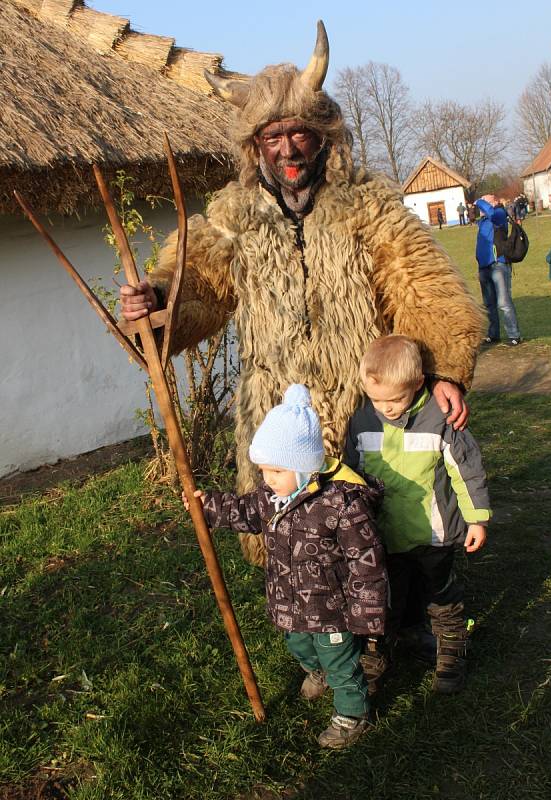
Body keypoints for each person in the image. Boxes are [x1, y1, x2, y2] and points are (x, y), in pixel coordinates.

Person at [120, 21, 484, 568]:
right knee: (289, 533)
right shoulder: (233, 216)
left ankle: (384, 626)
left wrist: (446, 371)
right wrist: (157, 299)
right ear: (255, 147)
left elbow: (421, 286)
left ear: (323, 138)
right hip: (277, 408)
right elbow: (198, 283)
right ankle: (316, 635)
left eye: (300, 135)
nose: (288, 150)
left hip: (365, 403)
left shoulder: (368, 205)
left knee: (377, 525)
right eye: (272, 138)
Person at [183, 384, 387, 749]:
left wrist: (366, 610)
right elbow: (245, 512)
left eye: (276, 470)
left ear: (305, 466)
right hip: (290, 602)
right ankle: (316, 671)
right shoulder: (272, 497)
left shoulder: (341, 504)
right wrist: (209, 506)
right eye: (264, 470)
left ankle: (353, 714)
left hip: (332, 609)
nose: (267, 479)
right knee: (299, 647)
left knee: (341, 662)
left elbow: (365, 561)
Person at [345, 335, 491, 694]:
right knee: (383, 598)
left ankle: (451, 653)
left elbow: (465, 469)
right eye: (378, 400)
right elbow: (351, 473)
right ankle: (377, 656)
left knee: (441, 596)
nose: (388, 409)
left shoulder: (440, 419)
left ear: (418, 383)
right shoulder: (362, 418)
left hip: (435, 535)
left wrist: (477, 517)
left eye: (396, 399)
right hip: (386, 535)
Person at [475, 194, 522, 346]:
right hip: (484, 267)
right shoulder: (482, 221)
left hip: (498, 265)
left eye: (486, 201)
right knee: (489, 303)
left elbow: (493, 214)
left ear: (494, 202)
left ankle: (514, 335)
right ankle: (493, 334)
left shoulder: (500, 214)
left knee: (503, 302)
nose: (481, 207)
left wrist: (480, 202)